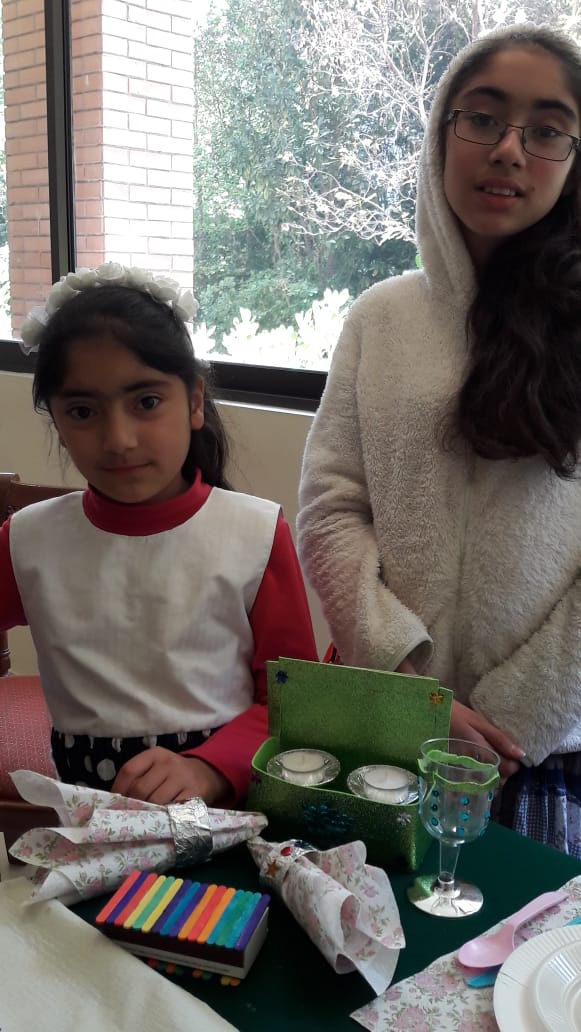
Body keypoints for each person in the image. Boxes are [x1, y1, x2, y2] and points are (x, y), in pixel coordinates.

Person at [297, 25, 581, 854]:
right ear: (440, 132)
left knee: (526, 942)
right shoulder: (380, 318)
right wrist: (412, 695)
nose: (508, 150)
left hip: (541, 750)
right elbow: (329, 509)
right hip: (388, 725)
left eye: (546, 129)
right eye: (482, 118)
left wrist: (505, 724)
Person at [1, 263, 318, 806]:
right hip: (89, 825)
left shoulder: (256, 535)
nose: (119, 439)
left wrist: (208, 768)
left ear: (194, 402)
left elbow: (297, 704)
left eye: (146, 402)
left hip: (224, 819)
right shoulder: (27, 539)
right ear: (57, 422)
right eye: (83, 411)